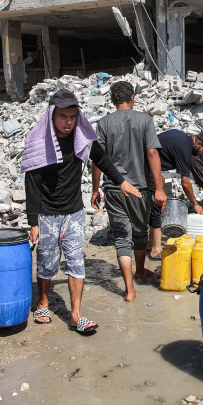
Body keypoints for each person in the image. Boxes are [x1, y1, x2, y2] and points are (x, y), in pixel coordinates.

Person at [22, 89, 141, 331]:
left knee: (76, 261)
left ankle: (76, 315)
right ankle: (43, 302)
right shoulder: (39, 142)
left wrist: (121, 182)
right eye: (63, 116)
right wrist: (33, 221)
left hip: (74, 212)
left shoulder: (81, 137)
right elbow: (32, 184)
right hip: (47, 213)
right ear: (52, 115)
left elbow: (102, 159)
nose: (68, 122)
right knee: (47, 262)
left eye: (72, 117)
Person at [91, 81, 166, 302]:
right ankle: (140, 270)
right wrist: (159, 189)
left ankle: (129, 289)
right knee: (140, 232)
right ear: (132, 97)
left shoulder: (104, 123)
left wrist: (95, 189)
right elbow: (152, 153)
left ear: (112, 100)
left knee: (122, 238)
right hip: (139, 189)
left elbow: (97, 159)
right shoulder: (145, 120)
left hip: (113, 189)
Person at [147, 129, 203, 260]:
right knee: (158, 205)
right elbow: (185, 182)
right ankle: (156, 249)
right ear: (198, 143)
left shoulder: (182, 138)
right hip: (147, 168)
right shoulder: (184, 149)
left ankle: (150, 244)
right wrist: (195, 204)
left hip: (148, 166)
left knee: (153, 206)